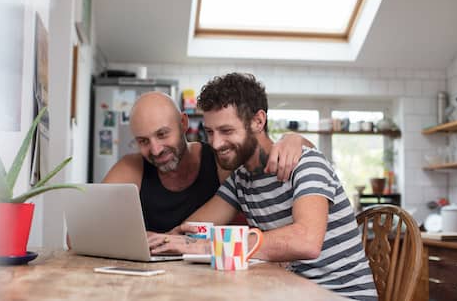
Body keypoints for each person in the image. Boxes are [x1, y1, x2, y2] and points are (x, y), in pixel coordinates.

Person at [148, 74, 377, 301]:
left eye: (227, 131)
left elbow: (306, 241)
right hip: (291, 293)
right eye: (210, 132)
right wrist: (154, 241)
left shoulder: (306, 164)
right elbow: (192, 229)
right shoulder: (241, 180)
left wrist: (208, 247)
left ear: (258, 121)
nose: (215, 144)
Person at [103, 91, 313, 233]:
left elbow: (273, 159)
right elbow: (80, 233)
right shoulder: (132, 167)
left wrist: (295, 139)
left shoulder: (222, 159)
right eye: (143, 141)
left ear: (183, 123)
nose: (156, 149)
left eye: (163, 134)